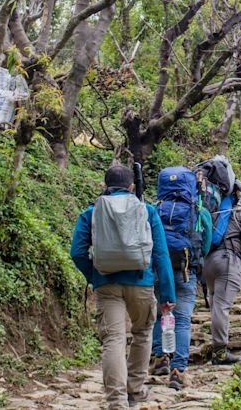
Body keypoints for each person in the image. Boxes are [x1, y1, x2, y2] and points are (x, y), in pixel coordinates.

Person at [70, 165, 176, 410]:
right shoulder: (147, 210)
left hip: (107, 284)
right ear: (131, 187)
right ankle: (135, 391)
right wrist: (167, 294)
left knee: (114, 340)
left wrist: (95, 275)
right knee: (142, 333)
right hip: (141, 282)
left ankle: (116, 402)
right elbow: (161, 254)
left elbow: (77, 252)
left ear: (104, 186)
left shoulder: (92, 212)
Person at [149, 168, 213, 391]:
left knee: (160, 314)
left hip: (159, 270)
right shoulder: (198, 210)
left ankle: (160, 359)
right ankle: (178, 369)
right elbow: (206, 243)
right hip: (186, 271)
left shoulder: (155, 209)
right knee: (183, 319)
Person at [203, 195, 241, 364]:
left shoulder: (221, 214)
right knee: (221, 307)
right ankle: (220, 352)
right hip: (228, 260)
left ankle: (217, 346)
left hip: (209, 262)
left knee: (216, 305)